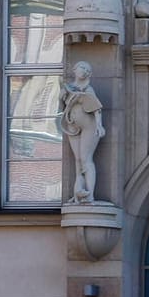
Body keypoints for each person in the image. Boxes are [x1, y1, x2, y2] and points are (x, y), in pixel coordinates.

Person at [60, 60, 105, 204]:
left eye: (86, 69)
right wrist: (62, 96)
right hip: (72, 125)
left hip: (89, 126)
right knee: (78, 161)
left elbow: (96, 108)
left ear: (88, 74)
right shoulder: (68, 87)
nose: (83, 70)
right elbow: (62, 106)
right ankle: (78, 193)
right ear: (75, 70)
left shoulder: (88, 88)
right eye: (81, 67)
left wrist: (99, 125)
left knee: (86, 159)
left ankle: (90, 194)